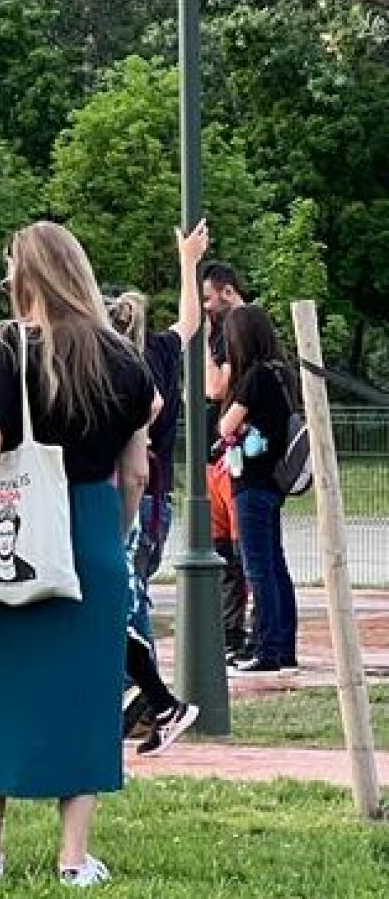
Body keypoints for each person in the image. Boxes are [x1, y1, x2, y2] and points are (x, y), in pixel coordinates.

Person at [0, 221, 154, 889]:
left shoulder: (12, 346)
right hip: (90, 532)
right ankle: (73, 857)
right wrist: (110, 537)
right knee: (86, 697)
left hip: (19, 531)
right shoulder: (125, 360)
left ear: (27, 275)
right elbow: (136, 473)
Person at [109, 222, 207, 754]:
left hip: (135, 493)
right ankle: (142, 692)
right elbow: (190, 320)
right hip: (156, 497)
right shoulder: (162, 351)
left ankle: (146, 693)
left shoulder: (122, 369)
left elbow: (149, 411)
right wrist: (187, 262)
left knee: (128, 591)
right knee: (131, 586)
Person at [218, 304, 301, 676]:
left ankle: (265, 648)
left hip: (250, 481)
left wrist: (232, 422)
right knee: (275, 565)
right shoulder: (283, 373)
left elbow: (226, 426)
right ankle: (283, 647)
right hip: (274, 479)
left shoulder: (255, 376)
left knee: (257, 568)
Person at [201, 262, 253, 657]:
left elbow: (216, 388)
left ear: (227, 291)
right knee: (222, 549)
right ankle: (229, 631)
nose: (204, 307)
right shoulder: (225, 332)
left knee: (241, 551)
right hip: (214, 453)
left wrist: (202, 344)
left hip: (233, 454)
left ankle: (248, 632)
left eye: (207, 298)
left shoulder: (240, 333)